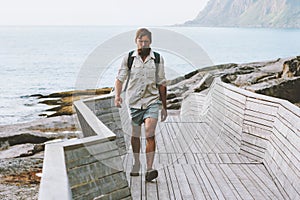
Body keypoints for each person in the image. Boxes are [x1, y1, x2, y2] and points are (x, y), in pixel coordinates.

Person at [114, 28, 167, 182]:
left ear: (150, 42)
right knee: (135, 135)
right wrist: (117, 96)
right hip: (134, 103)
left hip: (152, 102)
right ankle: (137, 162)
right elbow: (120, 78)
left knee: (150, 132)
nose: (143, 44)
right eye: (140, 41)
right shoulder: (128, 58)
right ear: (136, 41)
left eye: (146, 41)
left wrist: (164, 106)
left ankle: (149, 168)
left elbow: (162, 82)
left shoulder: (157, 58)